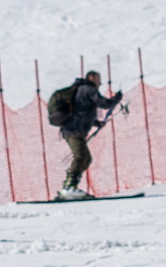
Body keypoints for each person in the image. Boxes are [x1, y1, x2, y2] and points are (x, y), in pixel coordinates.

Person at [53, 69, 123, 199]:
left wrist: (95, 123)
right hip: (73, 130)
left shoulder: (81, 89)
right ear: (91, 78)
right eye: (98, 79)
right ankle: (68, 187)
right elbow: (104, 104)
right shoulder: (88, 89)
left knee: (86, 158)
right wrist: (117, 98)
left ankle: (71, 186)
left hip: (74, 129)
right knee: (80, 157)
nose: (100, 83)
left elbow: (82, 110)